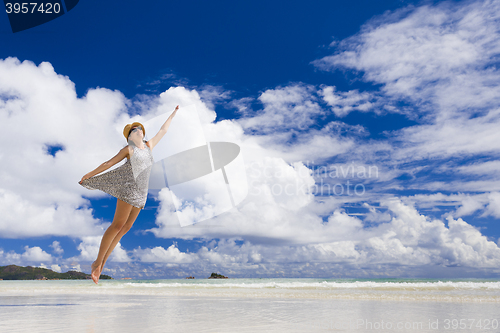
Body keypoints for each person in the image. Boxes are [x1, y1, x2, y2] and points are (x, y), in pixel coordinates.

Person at [79, 105, 180, 284]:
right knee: (117, 225)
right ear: (129, 136)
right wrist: (90, 174)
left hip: (142, 193)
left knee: (126, 228)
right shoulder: (128, 150)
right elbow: (108, 163)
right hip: (128, 189)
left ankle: (102, 263)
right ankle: (97, 262)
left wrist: (173, 114)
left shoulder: (149, 146)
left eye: (140, 128)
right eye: (134, 129)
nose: (138, 130)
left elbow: (163, 130)